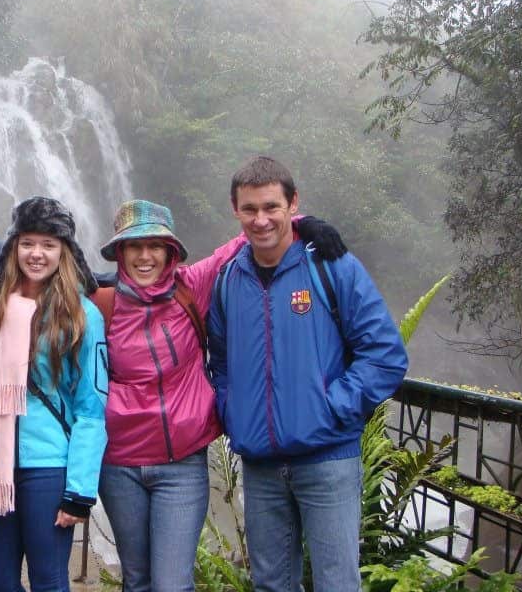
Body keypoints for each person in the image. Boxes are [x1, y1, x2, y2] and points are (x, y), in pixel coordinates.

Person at [95, 199, 347, 592]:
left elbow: (246, 236)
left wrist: (302, 223)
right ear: (120, 252)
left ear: (170, 252)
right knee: (137, 580)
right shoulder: (102, 303)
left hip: (181, 462)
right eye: (133, 246)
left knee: (171, 584)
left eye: (155, 246)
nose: (145, 256)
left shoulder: (192, 286)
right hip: (119, 463)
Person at [208, 156, 408, 592]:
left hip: (327, 458)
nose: (261, 220)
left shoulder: (332, 267)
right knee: (271, 584)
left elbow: (386, 355)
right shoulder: (228, 281)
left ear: (292, 204)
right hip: (260, 463)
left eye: (271, 207)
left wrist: (332, 407)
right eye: (250, 209)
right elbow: (219, 362)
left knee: (336, 583)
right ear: (235, 210)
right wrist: (232, 410)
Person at [0, 196, 108, 592]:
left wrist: (80, 491)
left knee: (49, 580)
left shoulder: (83, 315)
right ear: (13, 247)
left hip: (49, 467)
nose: (36, 254)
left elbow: (92, 406)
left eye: (49, 245)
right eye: (27, 243)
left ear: (64, 252)